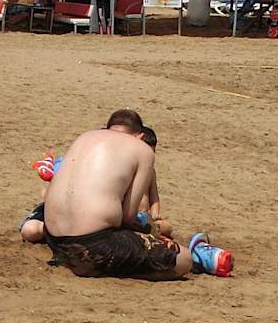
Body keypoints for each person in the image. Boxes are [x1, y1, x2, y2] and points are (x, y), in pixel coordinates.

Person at [17, 110, 195, 279]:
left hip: (53, 236)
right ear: (140, 136)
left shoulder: (85, 137)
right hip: (92, 243)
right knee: (184, 259)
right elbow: (128, 216)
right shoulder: (142, 149)